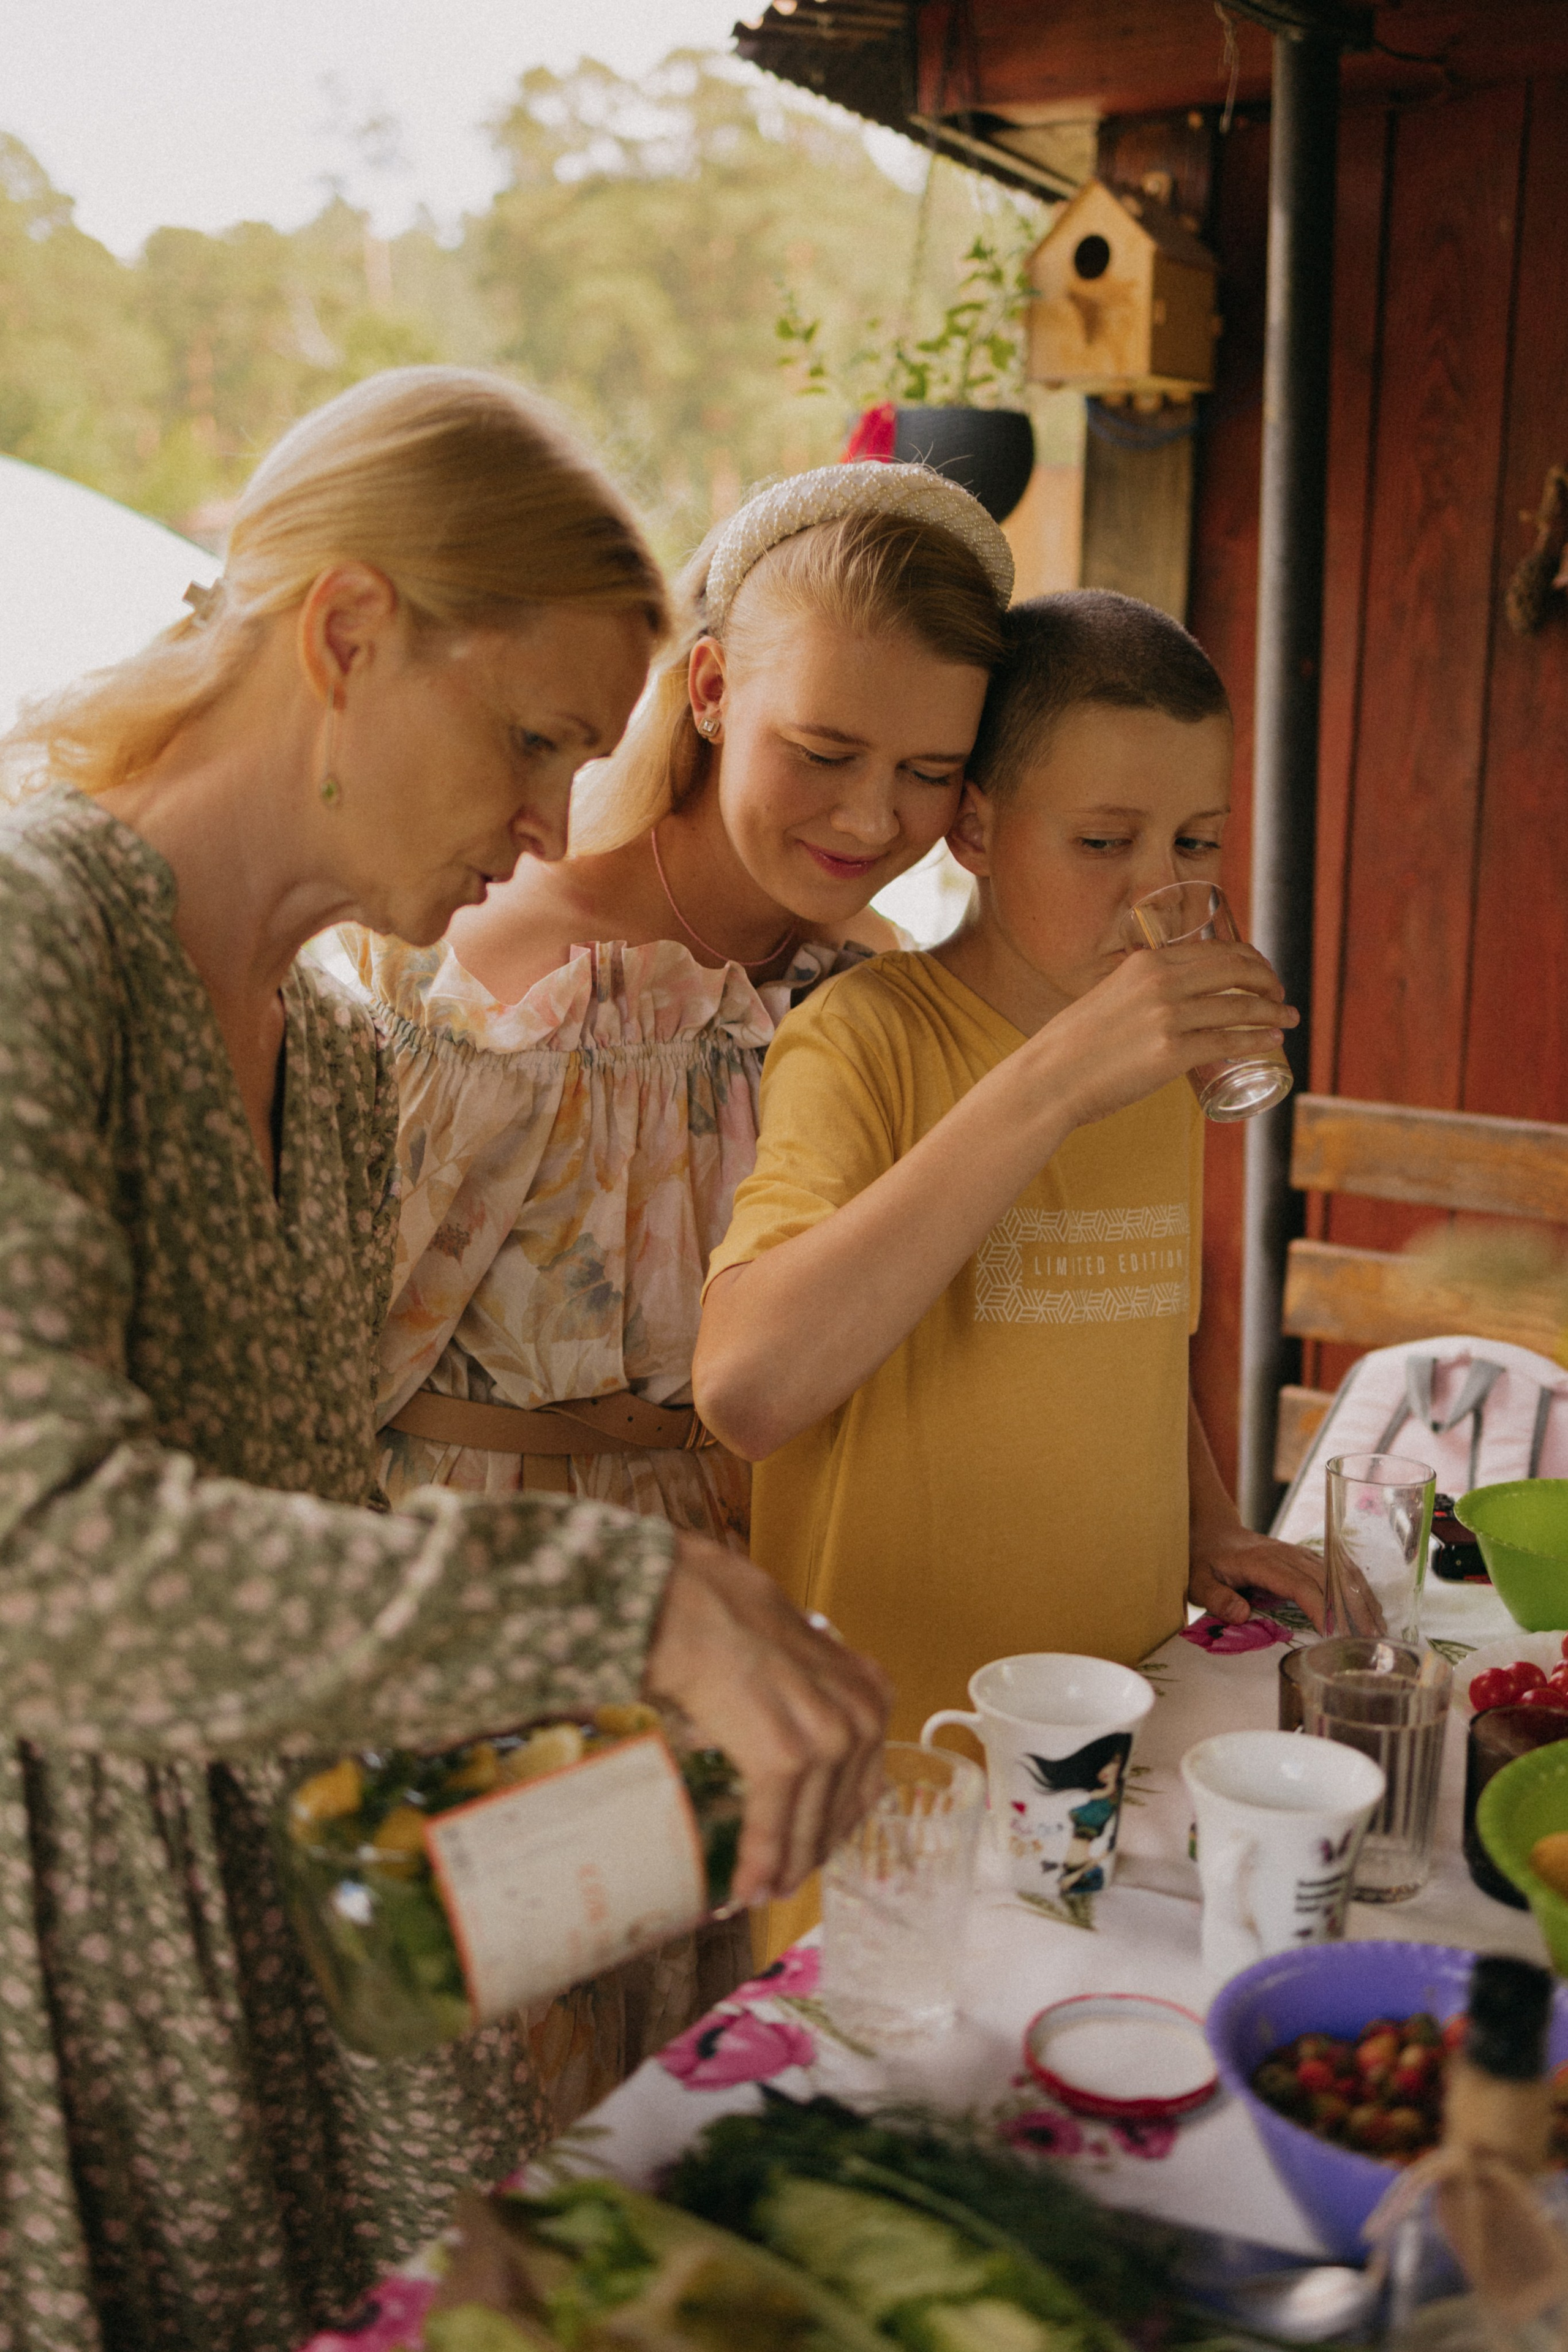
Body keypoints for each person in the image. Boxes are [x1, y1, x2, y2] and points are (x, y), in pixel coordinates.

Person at [0, 367, 888, 2352]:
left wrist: (547, 1877)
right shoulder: (31, 939)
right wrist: (626, 1592)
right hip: (49, 2002)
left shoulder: (334, 1061)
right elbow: (36, 1555)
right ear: (347, 631)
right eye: (535, 734)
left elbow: (312, 1568)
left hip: (274, 1981)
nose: (562, 815)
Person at [352, 461, 1010, 2116]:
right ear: (712, 688)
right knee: (502, 2143)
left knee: (700, 2113)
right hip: (504, 1622)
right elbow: (331, 1372)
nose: (872, 820)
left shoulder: (869, 1010)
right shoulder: (517, 963)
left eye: (932, 772)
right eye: (826, 752)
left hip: (766, 1630)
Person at [695, 589, 1329, 1752]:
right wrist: (1052, 1086)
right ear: (975, 833)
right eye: (1101, 842)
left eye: (1195, 843)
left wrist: (1210, 1525)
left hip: (1125, 1725)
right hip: (897, 1758)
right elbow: (747, 1390)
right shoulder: (863, 1037)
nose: (1156, 891)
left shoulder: (1158, 1059)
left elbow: (1127, 1329)